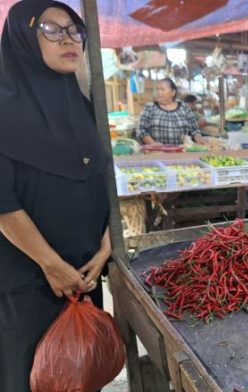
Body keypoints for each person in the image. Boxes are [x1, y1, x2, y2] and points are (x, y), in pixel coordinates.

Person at [0, 1, 113, 389]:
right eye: (51, 29)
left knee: (81, 374)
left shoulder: (82, 106)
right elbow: (2, 204)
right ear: (22, 37)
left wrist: (106, 245)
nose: (68, 39)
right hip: (30, 282)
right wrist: (50, 264)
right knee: (31, 377)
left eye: (73, 29)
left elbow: (101, 179)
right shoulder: (3, 110)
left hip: (85, 275)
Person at [137, 78, 205, 145]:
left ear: (173, 92)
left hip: (182, 152)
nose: (159, 92)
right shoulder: (150, 107)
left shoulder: (184, 107)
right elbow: (141, 130)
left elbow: (195, 129)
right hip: (157, 152)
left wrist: (198, 139)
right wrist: (153, 144)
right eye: (157, 89)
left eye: (162, 89)